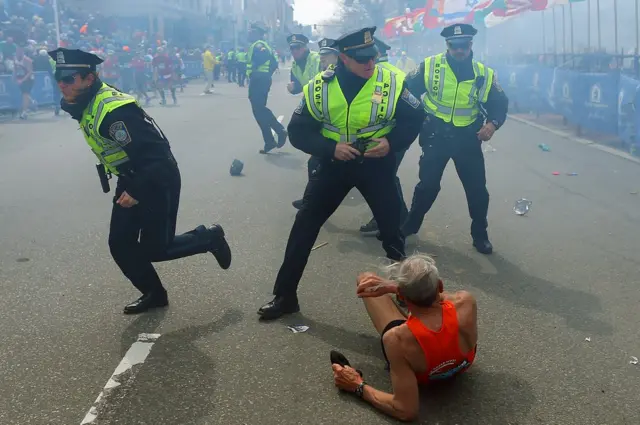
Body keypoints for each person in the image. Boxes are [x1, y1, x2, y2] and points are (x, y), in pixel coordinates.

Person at [257, 27, 426, 320]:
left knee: (392, 234)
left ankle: (409, 297)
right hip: (333, 167)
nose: (370, 63)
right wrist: (329, 148)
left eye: (372, 56)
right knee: (304, 228)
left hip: (376, 166)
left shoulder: (391, 81)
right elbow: (297, 132)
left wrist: (392, 143)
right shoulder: (320, 86)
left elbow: (415, 117)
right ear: (344, 58)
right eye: (362, 59)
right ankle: (285, 296)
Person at [48, 48, 232, 314]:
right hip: (132, 175)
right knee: (120, 243)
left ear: (89, 79)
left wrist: (136, 189)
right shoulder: (86, 99)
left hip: (156, 178)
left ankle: (209, 238)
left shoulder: (115, 111)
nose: (61, 85)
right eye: (59, 78)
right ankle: (155, 294)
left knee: (157, 248)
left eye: (69, 79)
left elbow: (158, 156)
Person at [330, 254, 478, 422]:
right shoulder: (466, 301)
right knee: (425, 315)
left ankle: (410, 308)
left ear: (401, 295)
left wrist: (357, 386)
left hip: (425, 374)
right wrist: (396, 287)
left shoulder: (397, 339)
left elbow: (406, 410)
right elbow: (442, 297)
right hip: (461, 364)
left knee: (364, 278)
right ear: (440, 285)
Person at [402, 24, 508, 254]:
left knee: (477, 189)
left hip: (467, 138)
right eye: (454, 46)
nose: (459, 50)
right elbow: (406, 90)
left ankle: (480, 234)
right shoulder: (430, 66)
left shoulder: (484, 73)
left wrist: (492, 124)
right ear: (447, 45)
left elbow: (499, 104)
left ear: (470, 45)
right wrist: (418, 115)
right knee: (427, 187)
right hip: (435, 135)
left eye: (463, 45)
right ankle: (410, 226)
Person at [360, 37, 410, 235]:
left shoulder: (387, 76)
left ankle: (391, 221)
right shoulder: (395, 73)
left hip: (389, 137)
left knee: (383, 178)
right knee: (386, 177)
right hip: (393, 137)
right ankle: (398, 217)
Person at [292, 38, 339, 210]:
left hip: (348, 135)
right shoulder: (325, 75)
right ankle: (310, 202)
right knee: (316, 165)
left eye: (327, 55)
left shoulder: (339, 76)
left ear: (338, 56)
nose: (322, 59)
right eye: (322, 55)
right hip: (331, 133)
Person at [246, 22, 287, 154]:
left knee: (259, 109)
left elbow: (263, 57)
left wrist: (256, 71)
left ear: (257, 33)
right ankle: (269, 141)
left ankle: (280, 130)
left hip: (259, 80)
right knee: (258, 111)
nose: (249, 33)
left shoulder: (259, 45)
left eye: (251, 31)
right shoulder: (261, 45)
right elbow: (274, 62)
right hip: (260, 79)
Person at [13, 46, 33, 120]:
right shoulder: (15, 59)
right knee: (24, 94)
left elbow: (30, 72)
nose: (18, 53)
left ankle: (24, 112)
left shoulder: (27, 60)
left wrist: (22, 80)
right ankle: (32, 102)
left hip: (29, 79)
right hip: (20, 78)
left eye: (20, 51)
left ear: (22, 52)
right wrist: (14, 77)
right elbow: (15, 69)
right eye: (17, 51)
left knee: (25, 94)